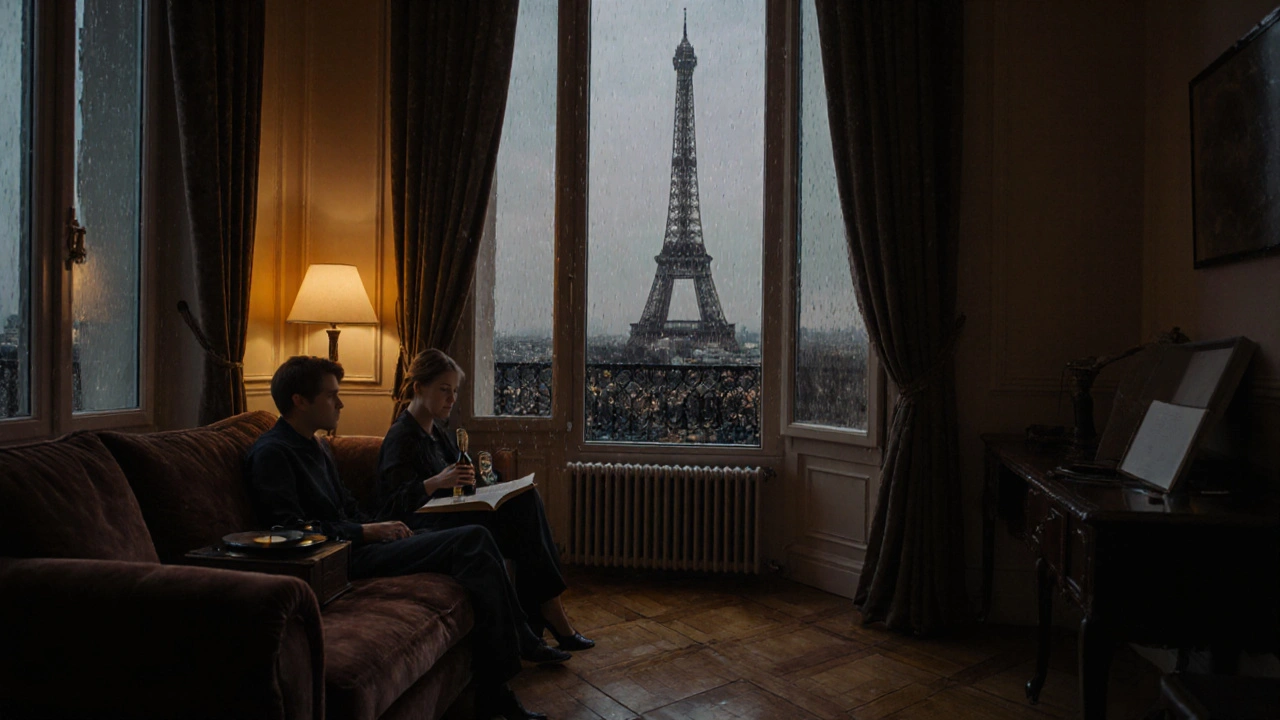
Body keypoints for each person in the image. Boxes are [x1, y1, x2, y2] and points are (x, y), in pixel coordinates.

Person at [244, 355, 564, 720]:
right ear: (299, 400)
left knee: (479, 537)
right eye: (332, 396)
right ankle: (508, 665)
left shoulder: (315, 445)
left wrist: (380, 528)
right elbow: (288, 533)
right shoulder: (273, 454)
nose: (341, 403)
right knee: (471, 540)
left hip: (365, 541)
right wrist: (366, 531)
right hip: (341, 556)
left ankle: (498, 681)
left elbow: (348, 505)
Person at [374, 349, 594, 651]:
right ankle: (546, 616)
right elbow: (393, 504)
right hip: (424, 524)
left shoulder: (438, 432)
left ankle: (540, 619)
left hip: (450, 513)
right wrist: (439, 481)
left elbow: (458, 483)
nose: (451, 399)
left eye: (454, 391)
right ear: (418, 388)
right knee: (523, 521)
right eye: (443, 390)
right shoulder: (401, 437)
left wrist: (482, 484)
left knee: (526, 500)